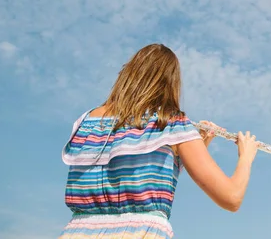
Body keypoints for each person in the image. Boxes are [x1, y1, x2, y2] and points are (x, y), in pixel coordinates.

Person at [58, 44, 259, 238]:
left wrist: (196, 145)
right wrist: (246, 156)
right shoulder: (173, 123)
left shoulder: (85, 120)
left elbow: (138, 173)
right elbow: (231, 198)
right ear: (170, 83)